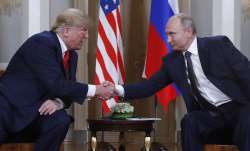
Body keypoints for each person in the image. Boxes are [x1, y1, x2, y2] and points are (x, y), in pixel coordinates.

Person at [112, 13, 250, 151]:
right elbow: (148, 87)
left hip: (239, 109)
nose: (168, 39)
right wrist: (116, 89)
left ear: (188, 32)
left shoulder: (217, 45)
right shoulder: (172, 62)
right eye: (167, 35)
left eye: (172, 34)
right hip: (213, 117)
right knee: (190, 121)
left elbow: (246, 74)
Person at [0, 8, 113, 151]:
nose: (87, 36)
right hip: (11, 109)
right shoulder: (41, 43)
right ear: (66, 30)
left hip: (37, 111)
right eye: (83, 30)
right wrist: (96, 90)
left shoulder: (71, 55)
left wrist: (58, 102)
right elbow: (57, 84)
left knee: (60, 120)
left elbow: (68, 87)